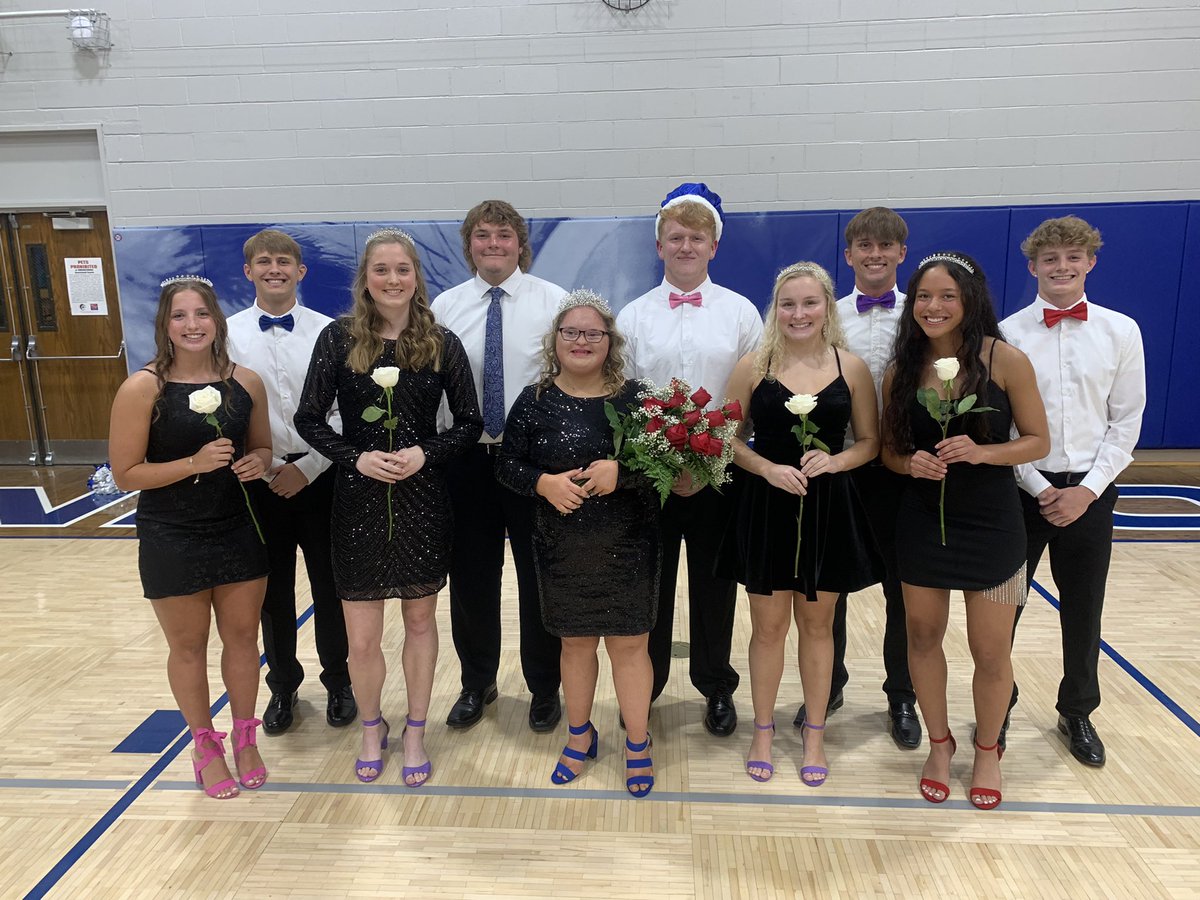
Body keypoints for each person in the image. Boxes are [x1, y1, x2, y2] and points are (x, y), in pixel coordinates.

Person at [294, 229, 482, 787]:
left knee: (421, 619)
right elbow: (309, 418)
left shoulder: (442, 342)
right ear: (366, 279)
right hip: (358, 499)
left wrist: (427, 452)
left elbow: (470, 424)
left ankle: (417, 730)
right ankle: (372, 727)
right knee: (361, 635)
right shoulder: (337, 339)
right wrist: (355, 459)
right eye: (382, 270)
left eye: (403, 269)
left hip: (422, 499)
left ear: (417, 277)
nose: (393, 279)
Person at [881, 252, 1049, 810]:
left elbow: (1038, 442)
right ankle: (939, 742)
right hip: (922, 523)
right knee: (922, 638)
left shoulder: (1006, 360)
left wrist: (984, 451)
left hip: (994, 526)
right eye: (924, 297)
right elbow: (888, 450)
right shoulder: (901, 368)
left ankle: (986, 750)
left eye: (947, 296)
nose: (933, 306)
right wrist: (909, 465)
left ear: (970, 300)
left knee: (991, 651)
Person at [109, 275, 272, 800]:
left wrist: (257, 463)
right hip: (171, 533)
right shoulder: (143, 388)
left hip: (237, 528)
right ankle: (205, 745)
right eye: (180, 316)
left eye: (201, 314)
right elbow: (126, 474)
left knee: (245, 639)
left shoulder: (246, 382)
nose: (192, 325)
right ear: (165, 325)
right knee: (188, 645)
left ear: (216, 321)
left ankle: (246, 737)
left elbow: (264, 448)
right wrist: (192, 464)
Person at [719, 262, 881, 786]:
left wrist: (833, 462)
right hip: (766, 508)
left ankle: (814, 733)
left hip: (826, 508)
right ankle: (762, 729)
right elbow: (724, 437)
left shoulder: (851, 367)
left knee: (817, 626)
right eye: (788, 304)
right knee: (768, 629)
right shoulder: (753, 364)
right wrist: (766, 467)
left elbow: (869, 443)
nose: (798, 313)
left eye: (809, 303)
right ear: (776, 309)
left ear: (827, 307)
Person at [496, 290, 659, 797]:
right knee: (575, 643)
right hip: (561, 544)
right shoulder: (535, 399)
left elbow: (667, 467)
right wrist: (542, 483)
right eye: (571, 332)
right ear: (556, 341)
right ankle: (579, 734)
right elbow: (506, 464)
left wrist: (623, 470)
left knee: (630, 645)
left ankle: (637, 742)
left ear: (610, 342)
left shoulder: (637, 400)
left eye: (593, 333)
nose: (582, 341)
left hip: (628, 543)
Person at [617, 182, 763, 737]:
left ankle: (716, 686)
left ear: (713, 246)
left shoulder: (742, 313)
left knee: (713, 585)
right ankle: (645, 686)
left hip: (718, 475)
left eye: (695, 238)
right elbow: (625, 396)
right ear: (658, 246)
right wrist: (662, 461)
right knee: (648, 584)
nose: (685, 246)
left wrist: (709, 460)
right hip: (649, 477)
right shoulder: (632, 316)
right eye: (675, 237)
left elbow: (748, 395)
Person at [1002, 216, 1145, 768]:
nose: (1061, 267)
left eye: (1073, 257)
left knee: (1084, 606)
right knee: (1004, 606)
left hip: (1090, 489)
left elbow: (1126, 420)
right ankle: (1000, 701)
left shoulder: (1121, 331)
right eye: (1050, 259)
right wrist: (1038, 486)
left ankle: (1078, 709)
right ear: (1033, 266)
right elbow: (1006, 425)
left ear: (1091, 262)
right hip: (1022, 488)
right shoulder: (1010, 333)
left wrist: (1085, 491)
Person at [431, 201, 566, 733]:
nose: (493, 244)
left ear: (519, 244)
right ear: (469, 244)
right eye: (482, 235)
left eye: (503, 235)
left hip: (533, 463)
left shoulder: (553, 302)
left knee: (539, 580)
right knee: (470, 581)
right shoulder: (444, 307)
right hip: (464, 461)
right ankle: (476, 680)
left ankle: (544, 686)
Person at [795, 208, 921, 749]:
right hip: (834, 469)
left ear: (901, 254)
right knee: (828, 585)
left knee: (903, 590)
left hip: (900, 472)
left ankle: (901, 695)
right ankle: (831, 683)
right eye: (864, 245)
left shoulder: (923, 317)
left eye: (885, 246)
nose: (875, 254)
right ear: (847, 256)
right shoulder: (825, 315)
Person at [227, 229, 355, 736]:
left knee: (332, 586)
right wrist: (256, 463)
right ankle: (282, 686)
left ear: (301, 271)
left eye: (284, 261)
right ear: (248, 272)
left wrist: (308, 467)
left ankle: (340, 681)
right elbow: (225, 409)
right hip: (256, 482)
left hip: (320, 477)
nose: (274, 268)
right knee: (270, 592)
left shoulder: (332, 332)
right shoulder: (227, 335)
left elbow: (347, 411)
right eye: (264, 262)